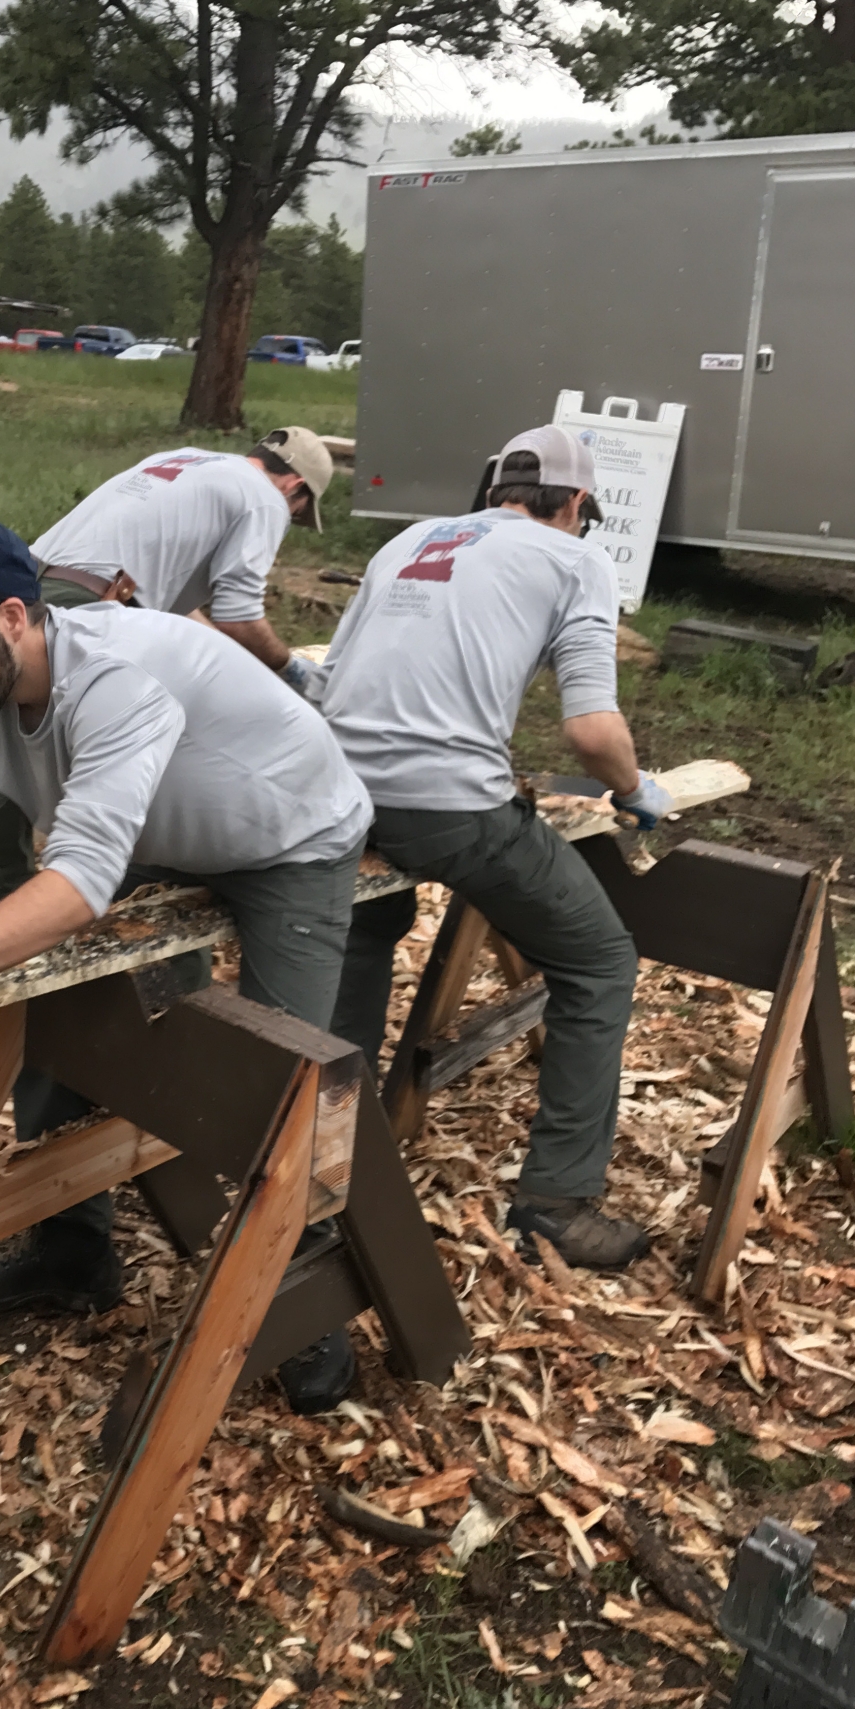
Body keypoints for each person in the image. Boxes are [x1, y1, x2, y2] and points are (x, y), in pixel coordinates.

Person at [0, 515, 375, 1411]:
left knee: (280, 1071)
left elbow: (77, 889)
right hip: (162, 831)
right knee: (65, 1020)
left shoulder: (117, 684)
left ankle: (304, 1308)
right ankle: (72, 1250)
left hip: (289, 835)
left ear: (13, 618)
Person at [321, 425, 672, 1270]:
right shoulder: (577, 561)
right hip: (442, 806)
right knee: (598, 962)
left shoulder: (410, 539)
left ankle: (336, 1157)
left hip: (332, 794)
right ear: (578, 504)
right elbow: (591, 734)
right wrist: (633, 790)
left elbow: (334, 679)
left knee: (372, 924)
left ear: (493, 492)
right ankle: (556, 1201)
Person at [0, 428, 338, 900]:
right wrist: (288, 669)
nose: (289, 518)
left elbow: (166, 599)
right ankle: (117, 890)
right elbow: (239, 617)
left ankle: (10, 883)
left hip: (25, 589)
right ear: (294, 486)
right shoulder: (263, 500)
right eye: (298, 512)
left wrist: (231, 661)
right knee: (152, 741)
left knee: (8, 731)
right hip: (92, 603)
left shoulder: (187, 462)